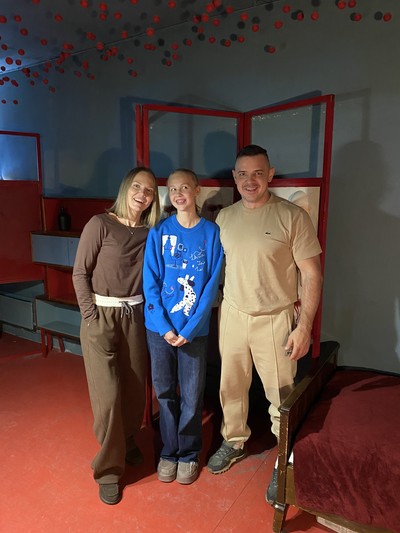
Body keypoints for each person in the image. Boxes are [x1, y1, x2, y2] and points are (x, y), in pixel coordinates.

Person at [206, 145, 322, 504]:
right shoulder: (224, 218)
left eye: (258, 173)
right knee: (230, 386)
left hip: (275, 317)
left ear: (270, 174)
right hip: (233, 313)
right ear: (234, 177)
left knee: (281, 394)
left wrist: (304, 327)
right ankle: (233, 440)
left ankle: (283, 460)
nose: (250, 180)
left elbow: (312, 274)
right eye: (242, 174)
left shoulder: (292, 217)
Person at [72, 167, 160, 505]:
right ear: (125, 188)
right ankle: (108, 470)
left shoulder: (150, 231)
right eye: (137, 186)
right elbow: (80, 273)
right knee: (107, 397)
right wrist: (91, 316)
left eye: (149, 190)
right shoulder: (99, 224)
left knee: (135, 390)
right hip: (101, 316)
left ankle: (127, 439)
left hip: (135, 316)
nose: (142, 194)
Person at [143, 168, 224, 485]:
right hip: (159, 329)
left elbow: (210, 287)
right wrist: (164, 327)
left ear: (197, 190)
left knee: (191, 394)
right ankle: (169, 451)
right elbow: (150, 283)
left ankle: (189, 453)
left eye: (185, 188)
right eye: (173, 189)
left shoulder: (211, 233)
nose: (178, 194)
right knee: (164, 392)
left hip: (194, 331)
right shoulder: (159, 232)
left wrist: (189, 330)